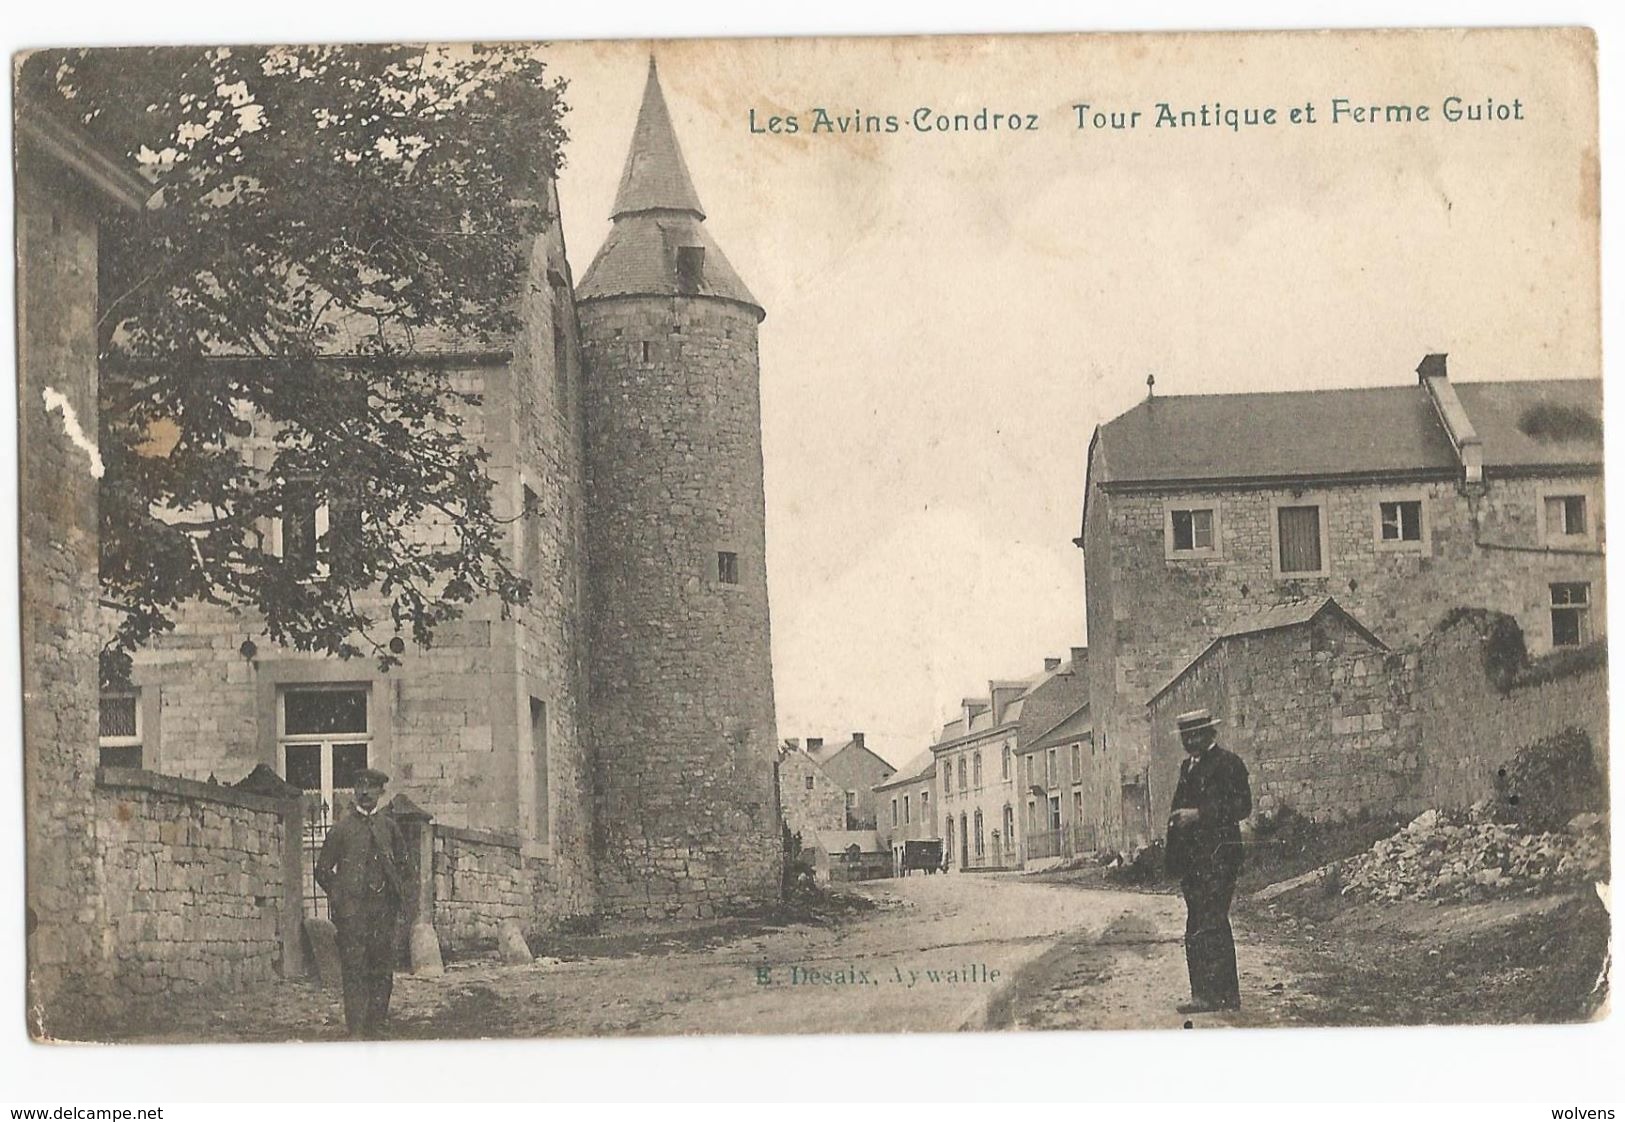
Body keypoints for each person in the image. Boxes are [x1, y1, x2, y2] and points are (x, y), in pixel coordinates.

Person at [1164, 708, 1252, 1014]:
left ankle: (1224, 996)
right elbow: (1178, 811)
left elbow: (1242, 807)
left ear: (1208, 734)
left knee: (1213, 922)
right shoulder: (1186, 767)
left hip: (1220, 858)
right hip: (1193, 863)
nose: (1189, 741)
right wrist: (1173, 857)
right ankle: (1203, 994)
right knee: (1196, 925)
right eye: (1185, 737)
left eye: (1195, 735)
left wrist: (1200, 814)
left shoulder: (1228, 764)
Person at [315, 767, 407, 1039]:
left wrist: (394, 896)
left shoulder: (389, 827)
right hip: (353, 914)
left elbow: (405, 865)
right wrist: (340, 894)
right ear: (354, 791)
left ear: (381, 792)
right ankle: (355, 1029)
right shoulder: (341, 830)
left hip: (382, 914)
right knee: (354, 969)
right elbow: (322, 870)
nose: (365, 792)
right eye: (360, 786)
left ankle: (377, 1025)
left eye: (371, 787)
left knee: (382, 969)